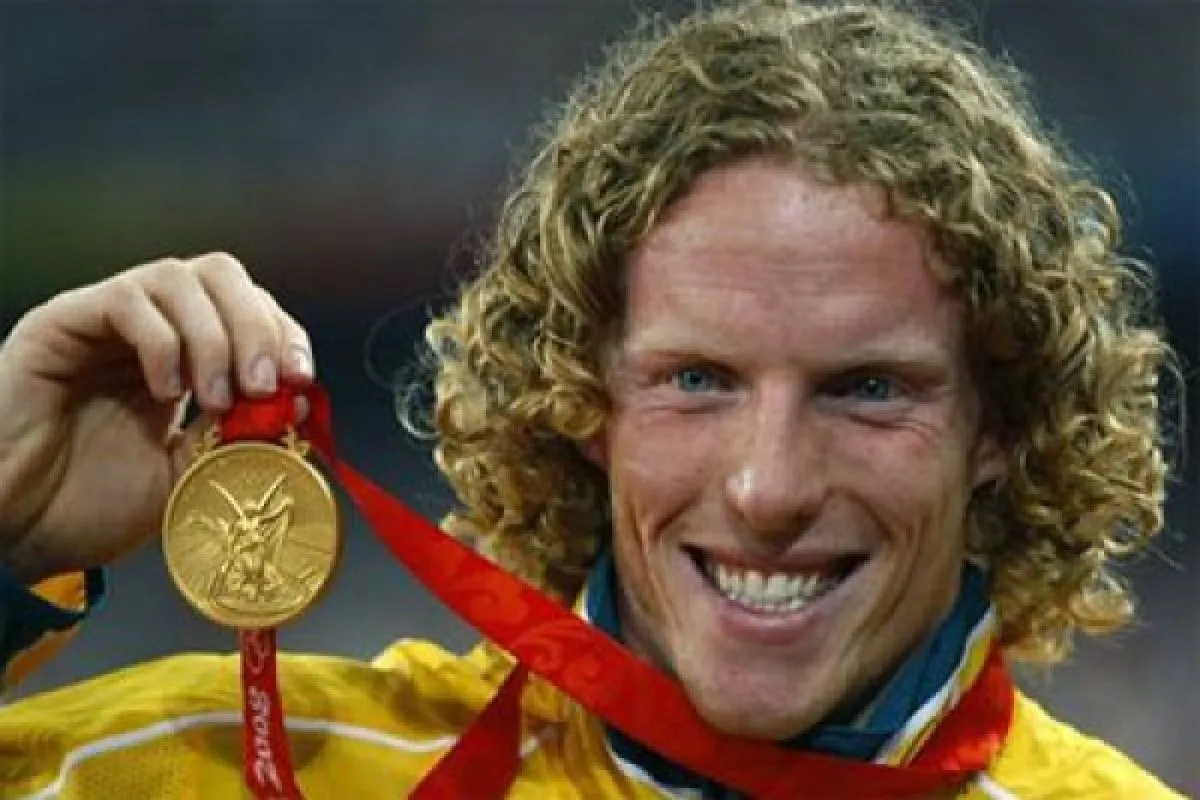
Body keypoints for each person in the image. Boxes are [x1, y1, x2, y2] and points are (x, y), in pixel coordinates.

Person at [0, 1, 1185, 798]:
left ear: (998, 427)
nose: (767, 485)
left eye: (867, 388)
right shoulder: (240, 768)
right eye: (697, 379)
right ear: (584, 400)